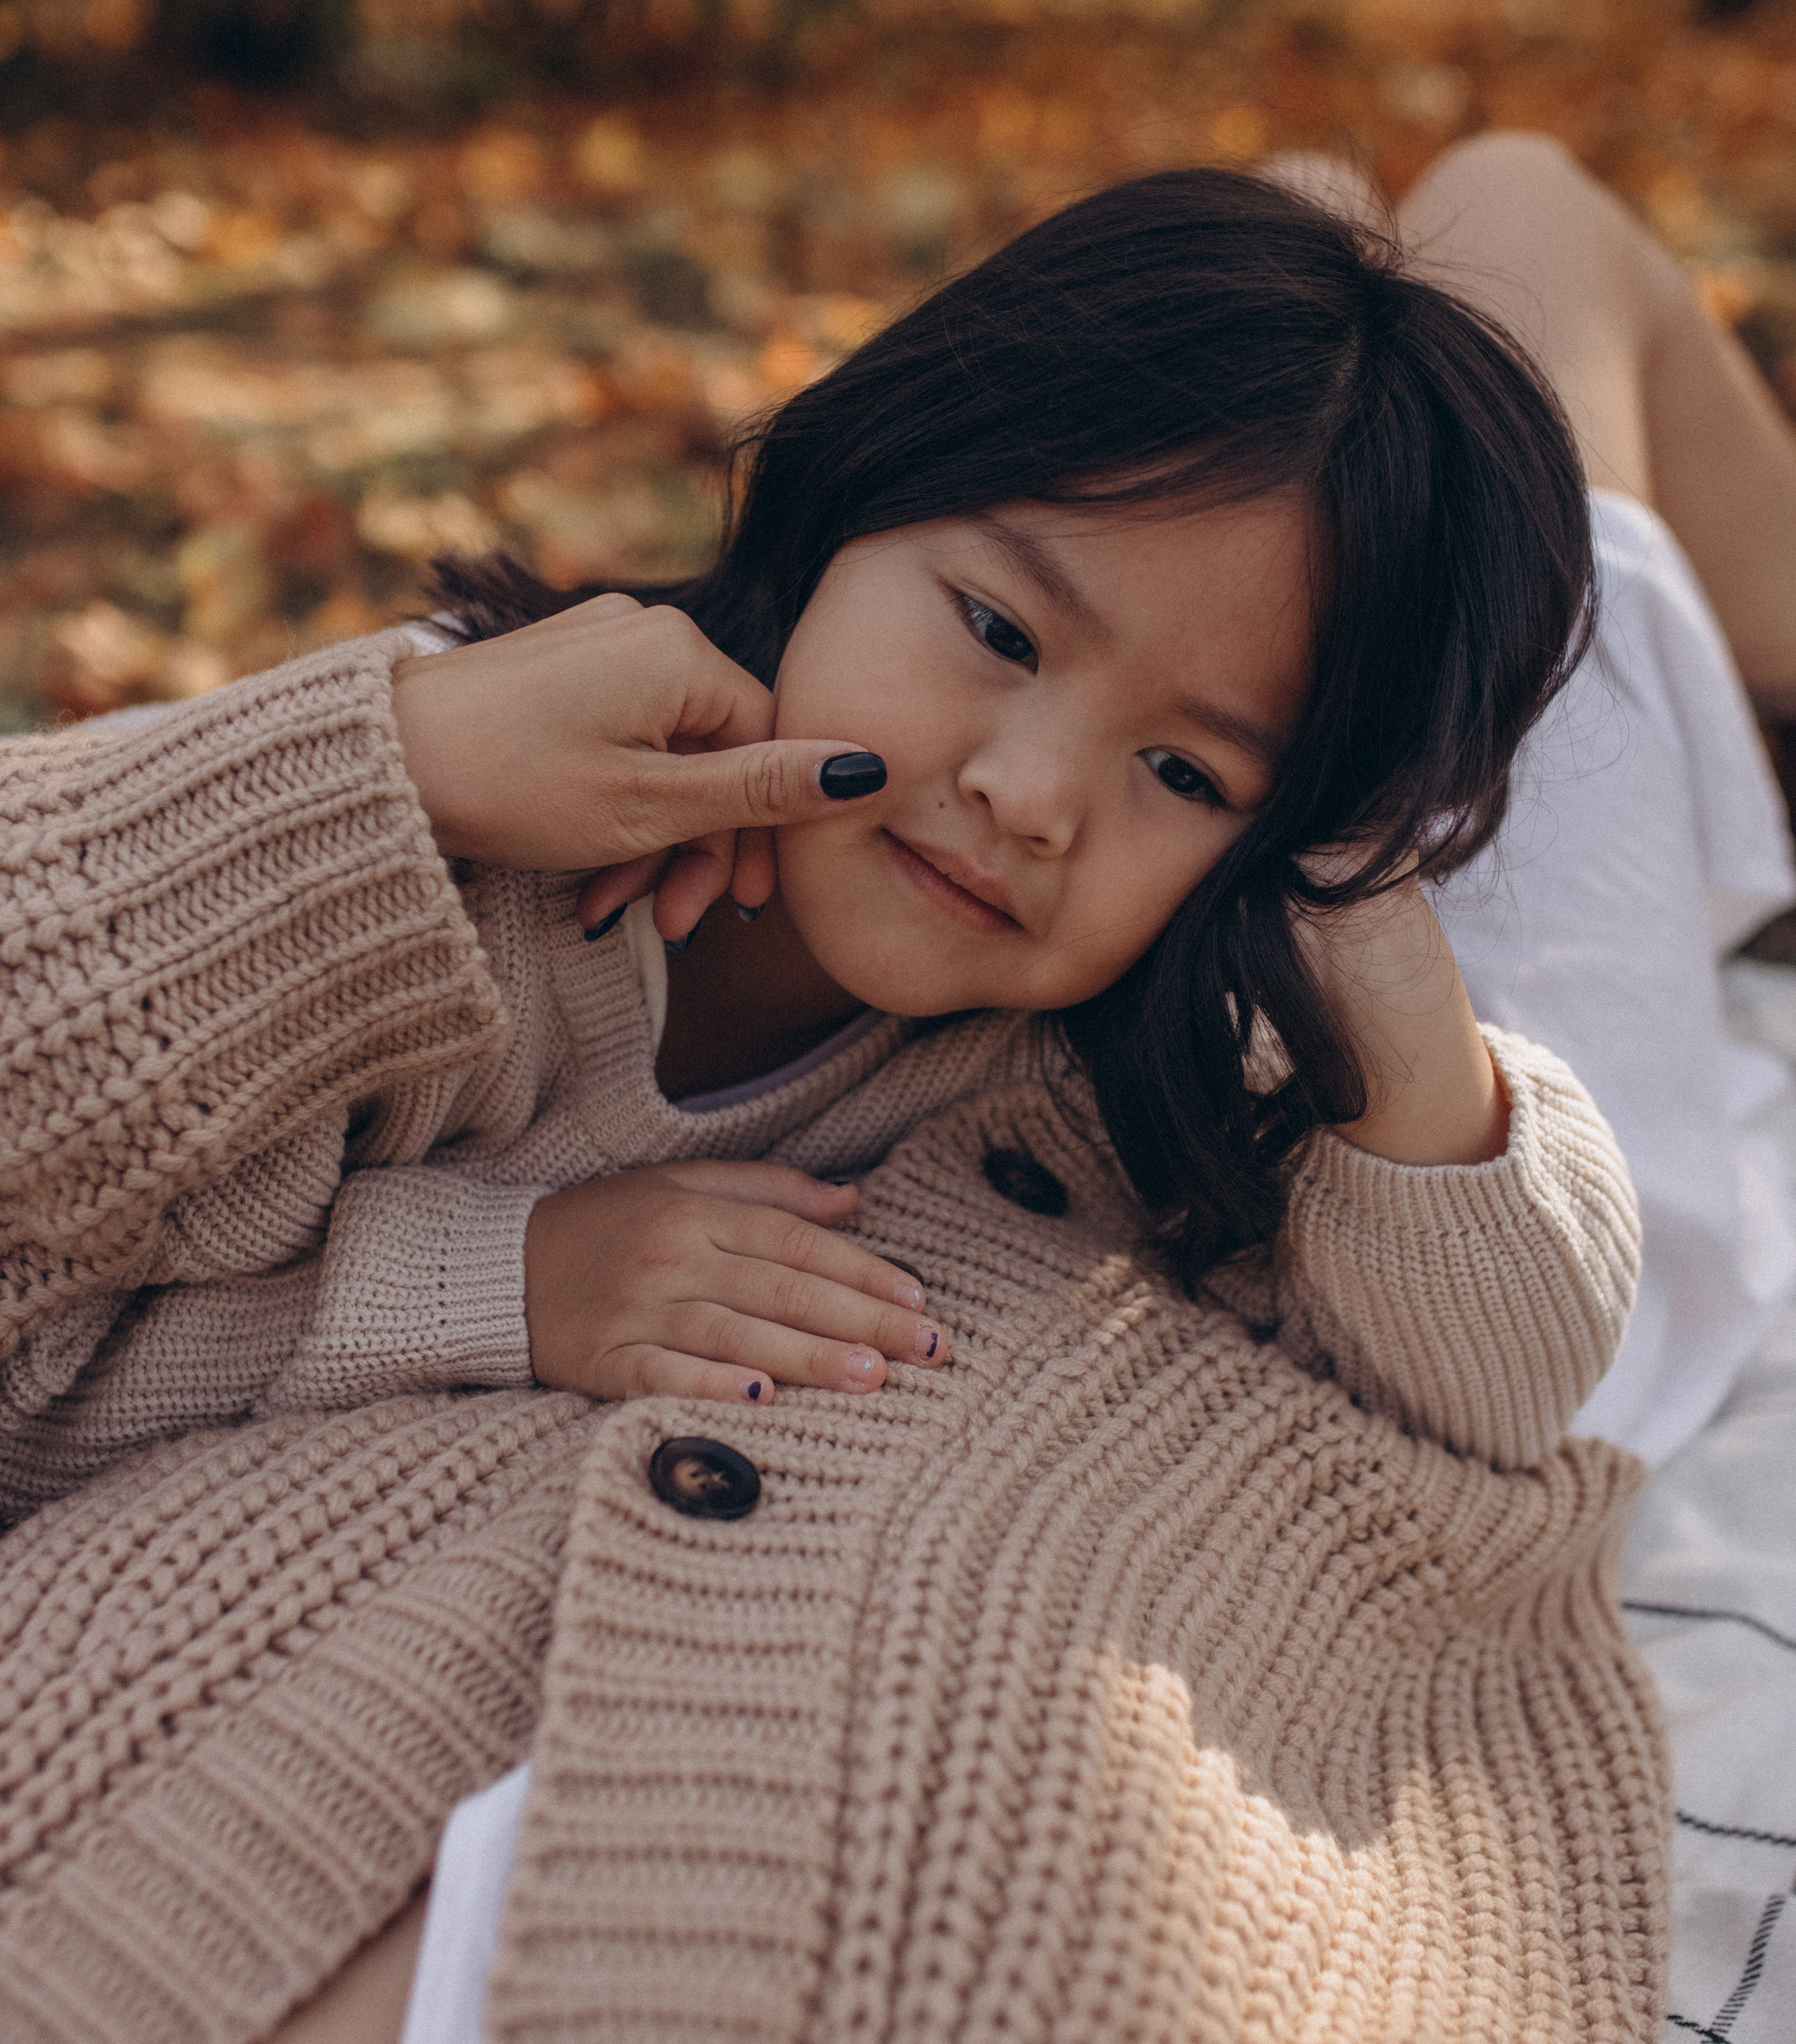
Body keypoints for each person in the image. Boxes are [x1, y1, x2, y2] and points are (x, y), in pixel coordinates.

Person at [0, 157, 1666, 2044]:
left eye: (1187, 774)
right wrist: (415, 780)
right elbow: (44, 1348)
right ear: (855, 487)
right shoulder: (437, 856)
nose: (1034, 792)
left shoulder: (1130, 1059)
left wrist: (1377, 952)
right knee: (1430, 230)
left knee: (1481, 255)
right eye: (1001, 629)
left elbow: (1512, 1373)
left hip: (1536, 836)